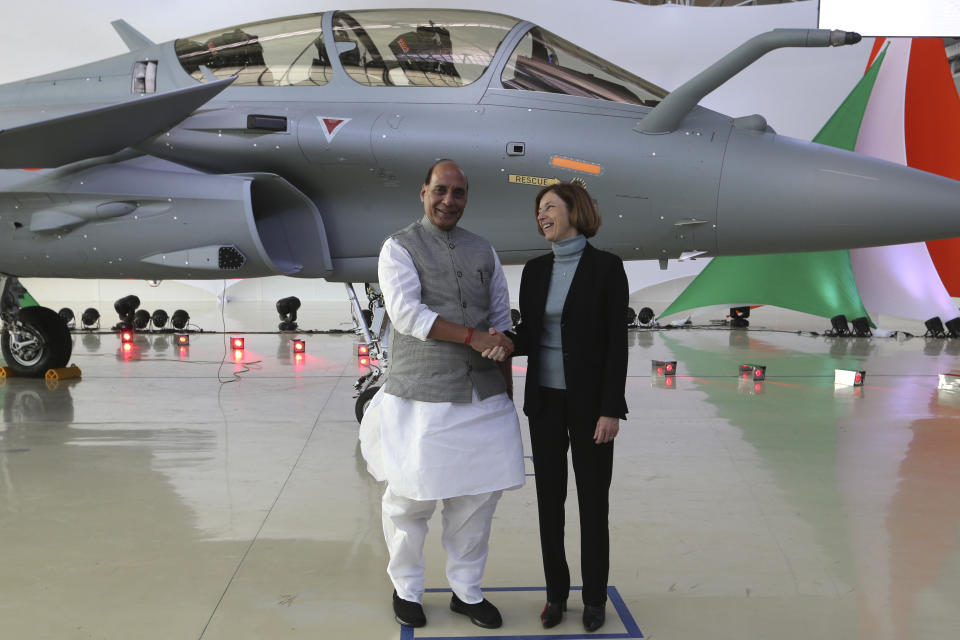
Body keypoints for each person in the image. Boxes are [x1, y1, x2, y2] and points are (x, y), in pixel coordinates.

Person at [371, 159, 523, 630]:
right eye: (440, 190)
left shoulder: (484, 250)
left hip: (484, 398)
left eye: (458, 193)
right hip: (422, 396)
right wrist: (473, 337)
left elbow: (499, 316)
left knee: (477, 502)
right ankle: (407, 589)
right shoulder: (398, 247)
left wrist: (504, 350)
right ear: (423, 193)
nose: (448, 201)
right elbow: (406, 315)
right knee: (410, 500)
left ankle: (467, 591)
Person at [487, 182, 627, 632]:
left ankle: (593, 598)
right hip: (544, 404)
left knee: (592, 503)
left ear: (575, 210)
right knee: (550, 503)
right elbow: (529, 335)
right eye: (538, 210)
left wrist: (611, 409)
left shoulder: (606, 268)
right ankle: (555, 595)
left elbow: (615, 345)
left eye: (549, 207)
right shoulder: (534, 270)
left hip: (591, 408)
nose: (541, 215)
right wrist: (503, 343)